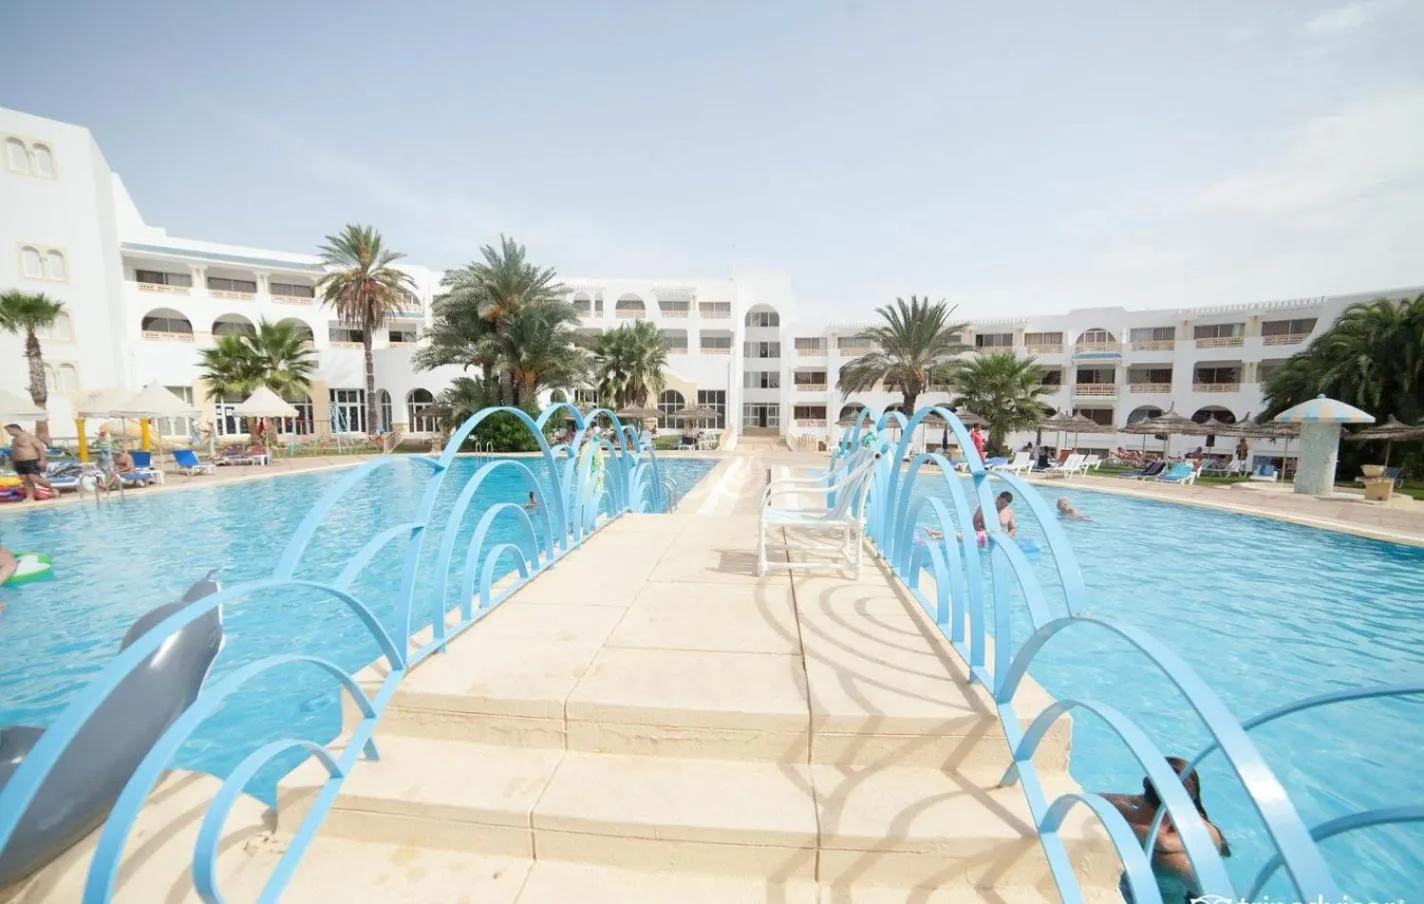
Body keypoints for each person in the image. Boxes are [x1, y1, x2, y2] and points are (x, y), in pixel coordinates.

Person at [1105, 756, 1231, 903]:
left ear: (1145, 783)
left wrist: (1120, 824)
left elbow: (1162, 842)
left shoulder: (1174, 858)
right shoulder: (1197, 832)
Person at [5, 424, 54, 501]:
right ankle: (30, 497)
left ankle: (53, 489)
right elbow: (14, 452)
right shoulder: (14, 440)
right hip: (18, 462)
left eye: (9, 430)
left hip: (31, 460)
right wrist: (12, 462)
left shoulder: (30, 437)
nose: (8, 433)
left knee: (34, 477)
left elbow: (40, 448)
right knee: (25, 479)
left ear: (16, 429)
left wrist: (42, 460)